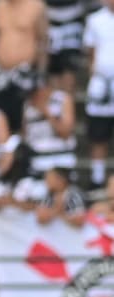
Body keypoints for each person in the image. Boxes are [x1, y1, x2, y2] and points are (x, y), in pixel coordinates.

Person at [0, 0, 48, 133]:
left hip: (25, 72)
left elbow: (43, 40)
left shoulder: (36, 6)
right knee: (0, 116)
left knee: (24, 118)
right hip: (1, 73)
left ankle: (21, 150)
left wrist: (40, 73)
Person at [84, 0, 114, 189]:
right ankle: (97, 178)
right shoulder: (95, 19)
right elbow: (91, 52)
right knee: (98, 135)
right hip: (102, 82)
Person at [23, 76, 76, 177]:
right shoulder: (28, 104)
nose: (32, 96)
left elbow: (66, 132)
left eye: (35, 92)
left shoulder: (63, 99)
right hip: (36, 160)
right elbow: (26, 134)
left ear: (43, 89)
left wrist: (46, 113)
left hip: (60, 159)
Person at [45, 0, 87, 93]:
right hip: (50, 22)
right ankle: (55, 105)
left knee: (69, 70)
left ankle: (67, 105)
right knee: (53, 70)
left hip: (72, 23)